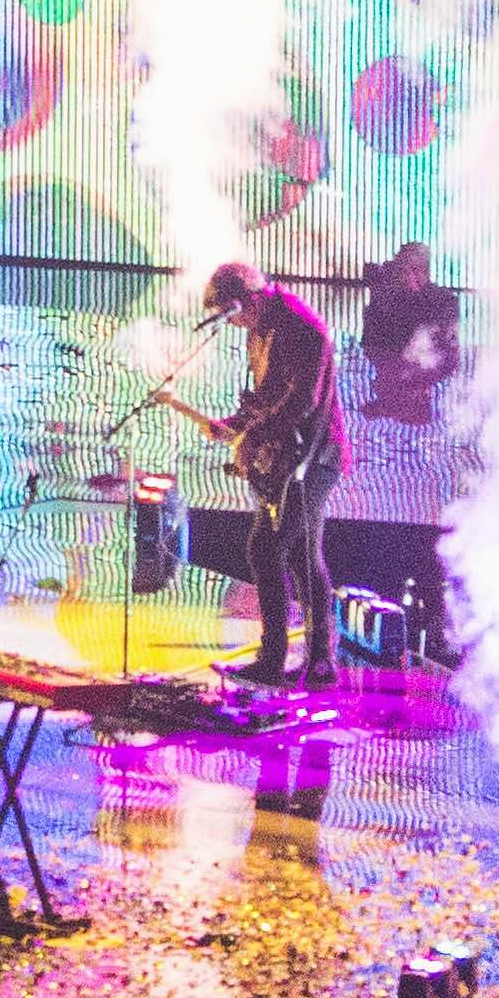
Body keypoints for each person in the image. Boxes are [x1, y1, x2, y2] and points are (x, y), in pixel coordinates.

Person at [204, 262, 344, 684]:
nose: (236, 325)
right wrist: (236, 424)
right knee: (303, 558)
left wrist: (252, 435)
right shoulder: (261, 328)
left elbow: (303, 401)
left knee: (267, 549)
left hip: (315, 458)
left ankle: (278, 658)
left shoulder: (303, 327)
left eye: (236, 316)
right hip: (291, 456)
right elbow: (267, 397)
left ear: (247, 301)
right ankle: (319, 662)